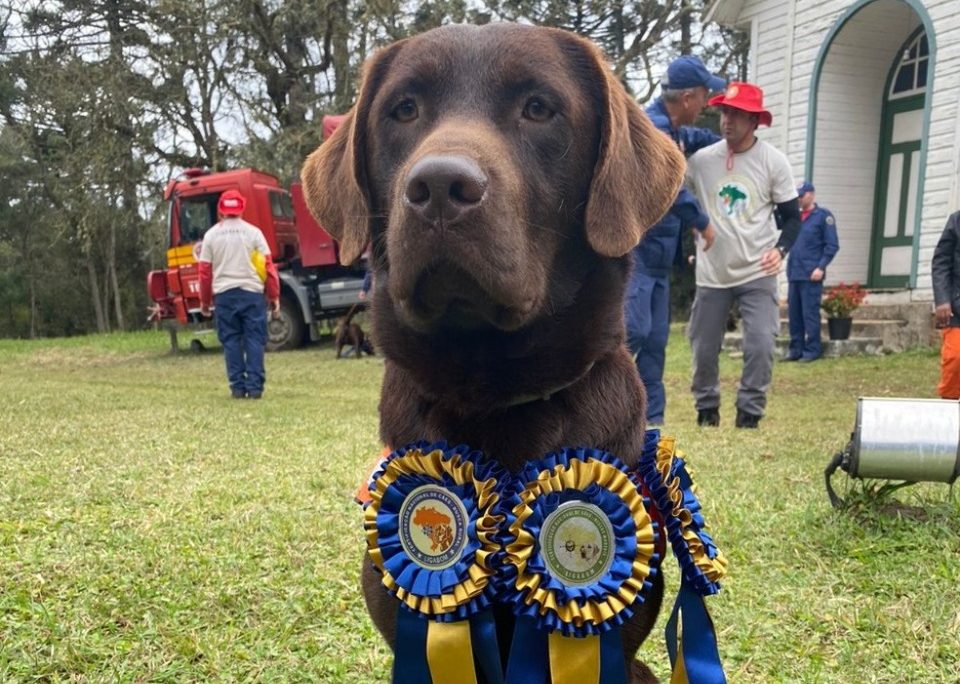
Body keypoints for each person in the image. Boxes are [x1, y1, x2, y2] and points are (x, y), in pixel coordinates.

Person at [684, 82, 802, 428]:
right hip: (712, 272)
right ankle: (707, 410)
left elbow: (793, 219)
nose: (727, 121)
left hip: (757, 270)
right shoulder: (702, 162)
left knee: (761, 343)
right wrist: (691, 234)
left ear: (754, 121)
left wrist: (781, 251)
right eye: (724, 112)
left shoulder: (773, 162)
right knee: (703, 348)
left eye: (737, 114)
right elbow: (680, 200)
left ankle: (749, 413)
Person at [625, 55, 723, 426]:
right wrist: (701, 221)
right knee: (631, 331)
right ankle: (593, 404)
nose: (706, 104)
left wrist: (728, 141)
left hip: (661, 258)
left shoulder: (675, 130)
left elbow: (697, 140)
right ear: (688, 97)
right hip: (638, 251)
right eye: (704, 97)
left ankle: (651, 421)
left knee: (655, 341)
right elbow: (669, 185)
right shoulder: (652, 128)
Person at [198, 190, 280, 399]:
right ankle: (254, 388)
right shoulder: (254, 233)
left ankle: (237, 387)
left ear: (221, 210)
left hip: (224, 295)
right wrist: (274, 296)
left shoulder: (211, 235)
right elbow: (269, 267)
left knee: (231, 340)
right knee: (254, 339)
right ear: (241, 208)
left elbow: (205, 273)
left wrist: (205, 302)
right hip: (251, 294)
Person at [786, 182, 839, 362]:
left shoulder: (823, 217)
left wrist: (821, 267)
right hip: (795, 273)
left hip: (811, 274)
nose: (799, 199)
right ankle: (796, 350)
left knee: (810, 314)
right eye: (797, 196)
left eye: (802, 196)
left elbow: (832, 245)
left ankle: (813, 349)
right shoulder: (795, 217)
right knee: (794, 315)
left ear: (811, 195)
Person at [932, 211, 960, 399]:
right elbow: (941, 262)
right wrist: (942, 300)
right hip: (957, 308)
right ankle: (949, 407)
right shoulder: (956, 220)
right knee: (955, 358)